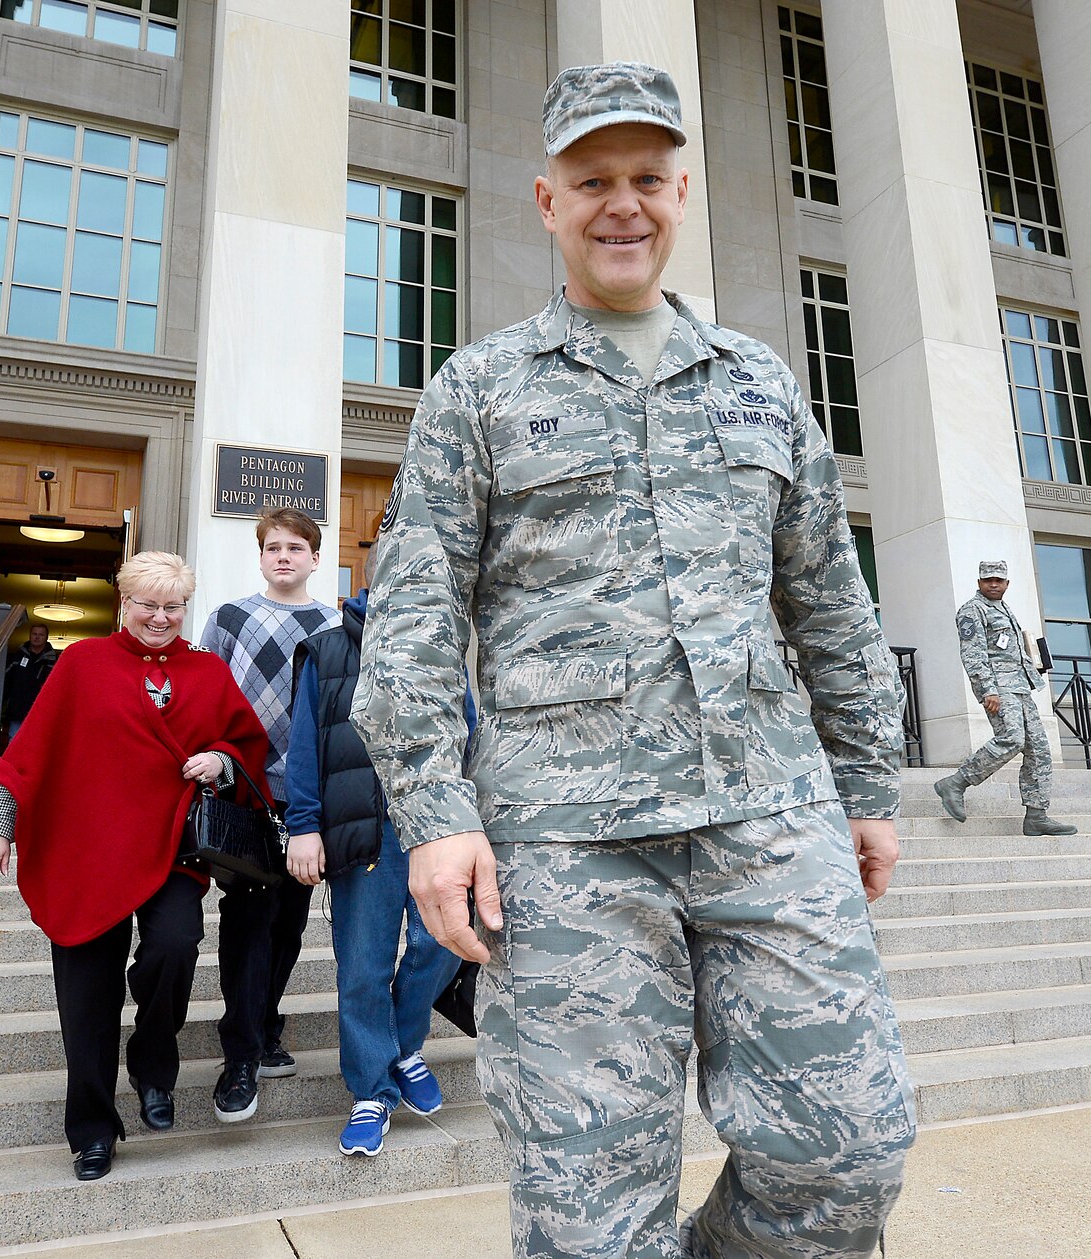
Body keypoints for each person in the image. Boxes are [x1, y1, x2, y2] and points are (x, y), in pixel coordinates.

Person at [350, 62, 916, 1259]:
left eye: (646, 180)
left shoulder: (759, 380)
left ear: (680, 193)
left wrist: (866, 786)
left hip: (769, 809)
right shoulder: (482, 386)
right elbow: (410, 607)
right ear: (545, 200)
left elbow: (826, 596)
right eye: (593, 180)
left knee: (848, 1149)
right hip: (562, 842)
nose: (623, 205)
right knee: (587, 1209)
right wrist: (432, 811)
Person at [0, 551, 271, 1182]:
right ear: (122, 603)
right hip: (85, 852)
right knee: (87, 996)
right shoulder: (82, 664)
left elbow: (245, 743)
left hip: (171, 850)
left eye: (173, 606)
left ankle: (153, 1064)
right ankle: (92, 1130)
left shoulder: (209, 671)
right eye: (148, 605)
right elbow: (28, 755)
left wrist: (218, 759)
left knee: (175, 944)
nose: (160, 618)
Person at [282, 588, 466, 1157]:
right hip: (362, 831)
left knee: (444, 943)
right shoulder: (325, 652)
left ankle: (402, 1046)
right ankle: (372, 1091)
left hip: (434, 825)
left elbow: (470, 738)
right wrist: (303, 825)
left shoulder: (440, 646)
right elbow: (306, 748)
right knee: (362, 967)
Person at [197, 507, 341, 1123]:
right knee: (250, 917)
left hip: (308, 796)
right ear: (260, 556)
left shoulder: (336, 626)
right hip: (246, 787)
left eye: (296, 547)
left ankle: (267, 1019)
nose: (284, 556)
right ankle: (244, 1048)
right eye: (273, 547)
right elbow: (206, 695)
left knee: (290, 921)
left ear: (314, 556)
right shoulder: (230, 618)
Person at [934, 562, 1077, 836]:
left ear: (1007, 583)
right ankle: (955, 782)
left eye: (999, 580)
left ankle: (1036, 815)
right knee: (1011, 738)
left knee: (1038, 749)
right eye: (988, 580)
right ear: (979, 582)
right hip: (999, 689)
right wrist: (988, 689)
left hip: (1020, 687)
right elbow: (973, 653)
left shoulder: (1003, 608)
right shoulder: (972, 610)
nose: (993, 584)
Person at [2, 623, 59, 744]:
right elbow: (6, 681)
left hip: (41, 712)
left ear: (46, 637)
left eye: (41, 635)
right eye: (34, 634)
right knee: (14, 742)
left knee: (36, 743)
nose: (37, 637)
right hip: (18, 709)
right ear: (30, 635)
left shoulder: (54, 661)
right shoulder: (17, 657)